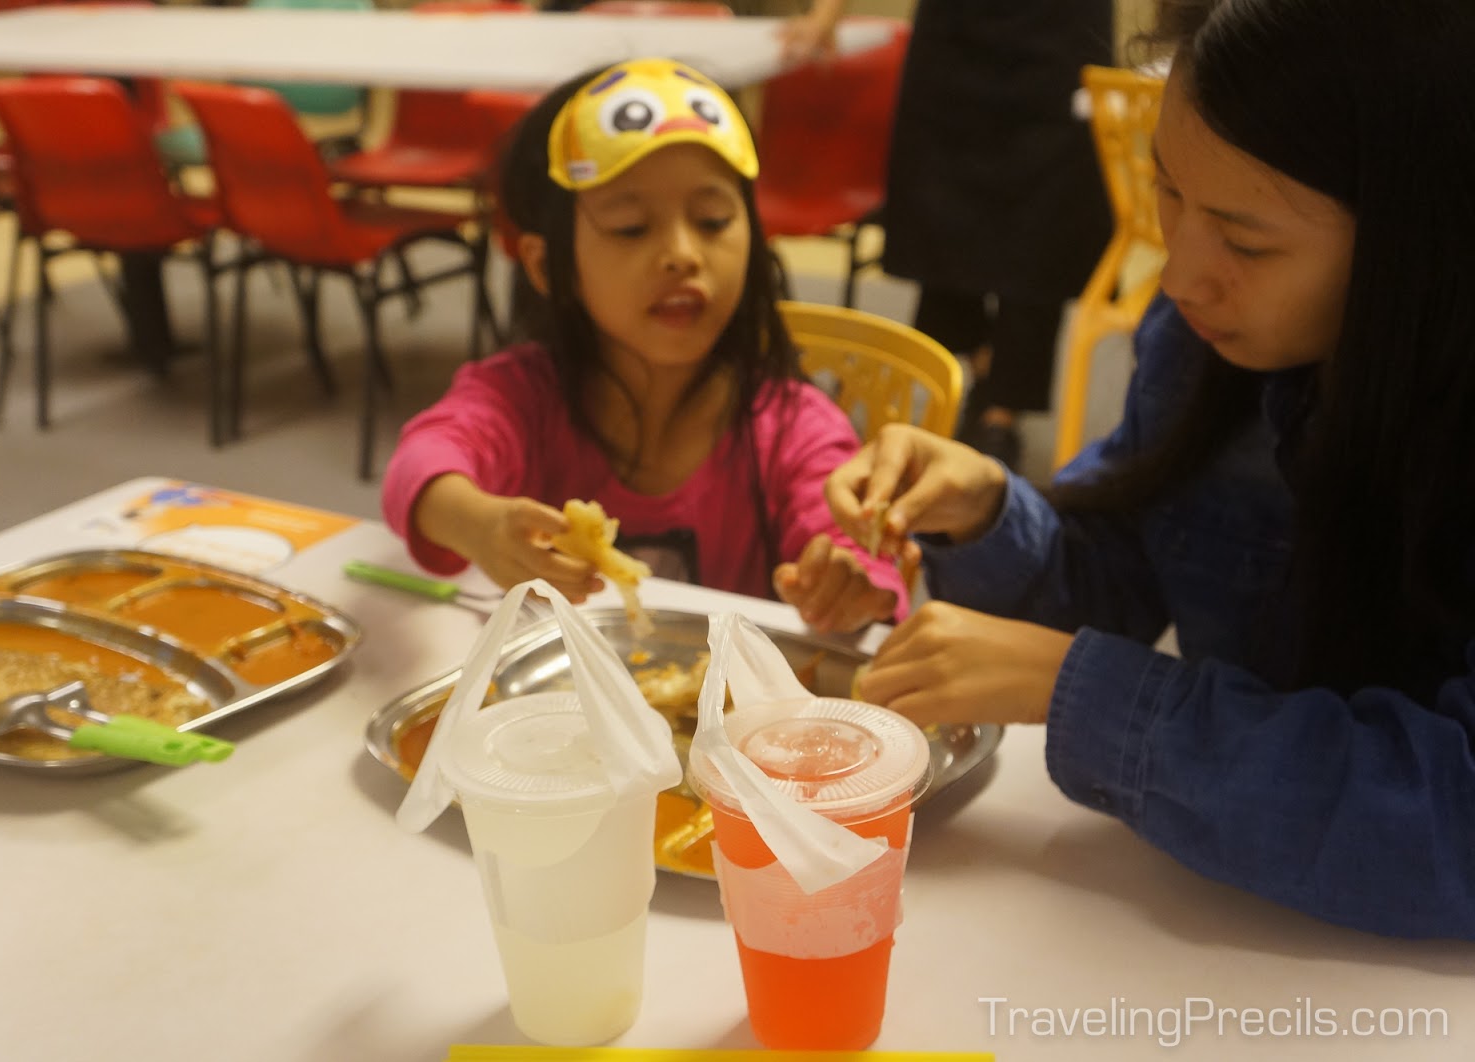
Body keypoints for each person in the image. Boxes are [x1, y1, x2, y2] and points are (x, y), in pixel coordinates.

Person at [822, 0, 1475, 938]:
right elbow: (1123, 566)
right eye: (1168, 192)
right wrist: (987, 512)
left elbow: (1452, 822)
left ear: (1423, 238)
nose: (1178, 278)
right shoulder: (1206, 344)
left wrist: (1089, 694)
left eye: (1245, 242)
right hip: (1207, 925)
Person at [380, 57, 905, 634]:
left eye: (712, 220)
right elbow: (420, 463)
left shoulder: (791, 427)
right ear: (547, 266)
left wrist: (849, 582)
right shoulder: (522, 397)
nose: (682, 254)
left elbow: (856, 549)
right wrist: (478, 524)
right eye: (631, 227)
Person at [782, 0, 1113, 473]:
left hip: (1060, 35)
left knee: (1043, 228)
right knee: (939, 215)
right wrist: (825, 15)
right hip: (955, 37)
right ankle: (984, 363)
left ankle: (1001, 415)